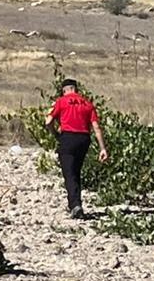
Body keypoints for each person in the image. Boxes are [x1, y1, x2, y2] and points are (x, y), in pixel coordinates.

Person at [44, 78, 108, 219]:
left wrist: (55, 134)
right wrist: (102, 148)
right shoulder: (87, 103)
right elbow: (96, 127)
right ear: (76, 89)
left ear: (64, 90)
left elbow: (48, 121)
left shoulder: (61, 101)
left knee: (69, 173)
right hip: (84, 139)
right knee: (76, 171)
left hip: (68, 137)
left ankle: (75, 205)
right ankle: (76, 203)